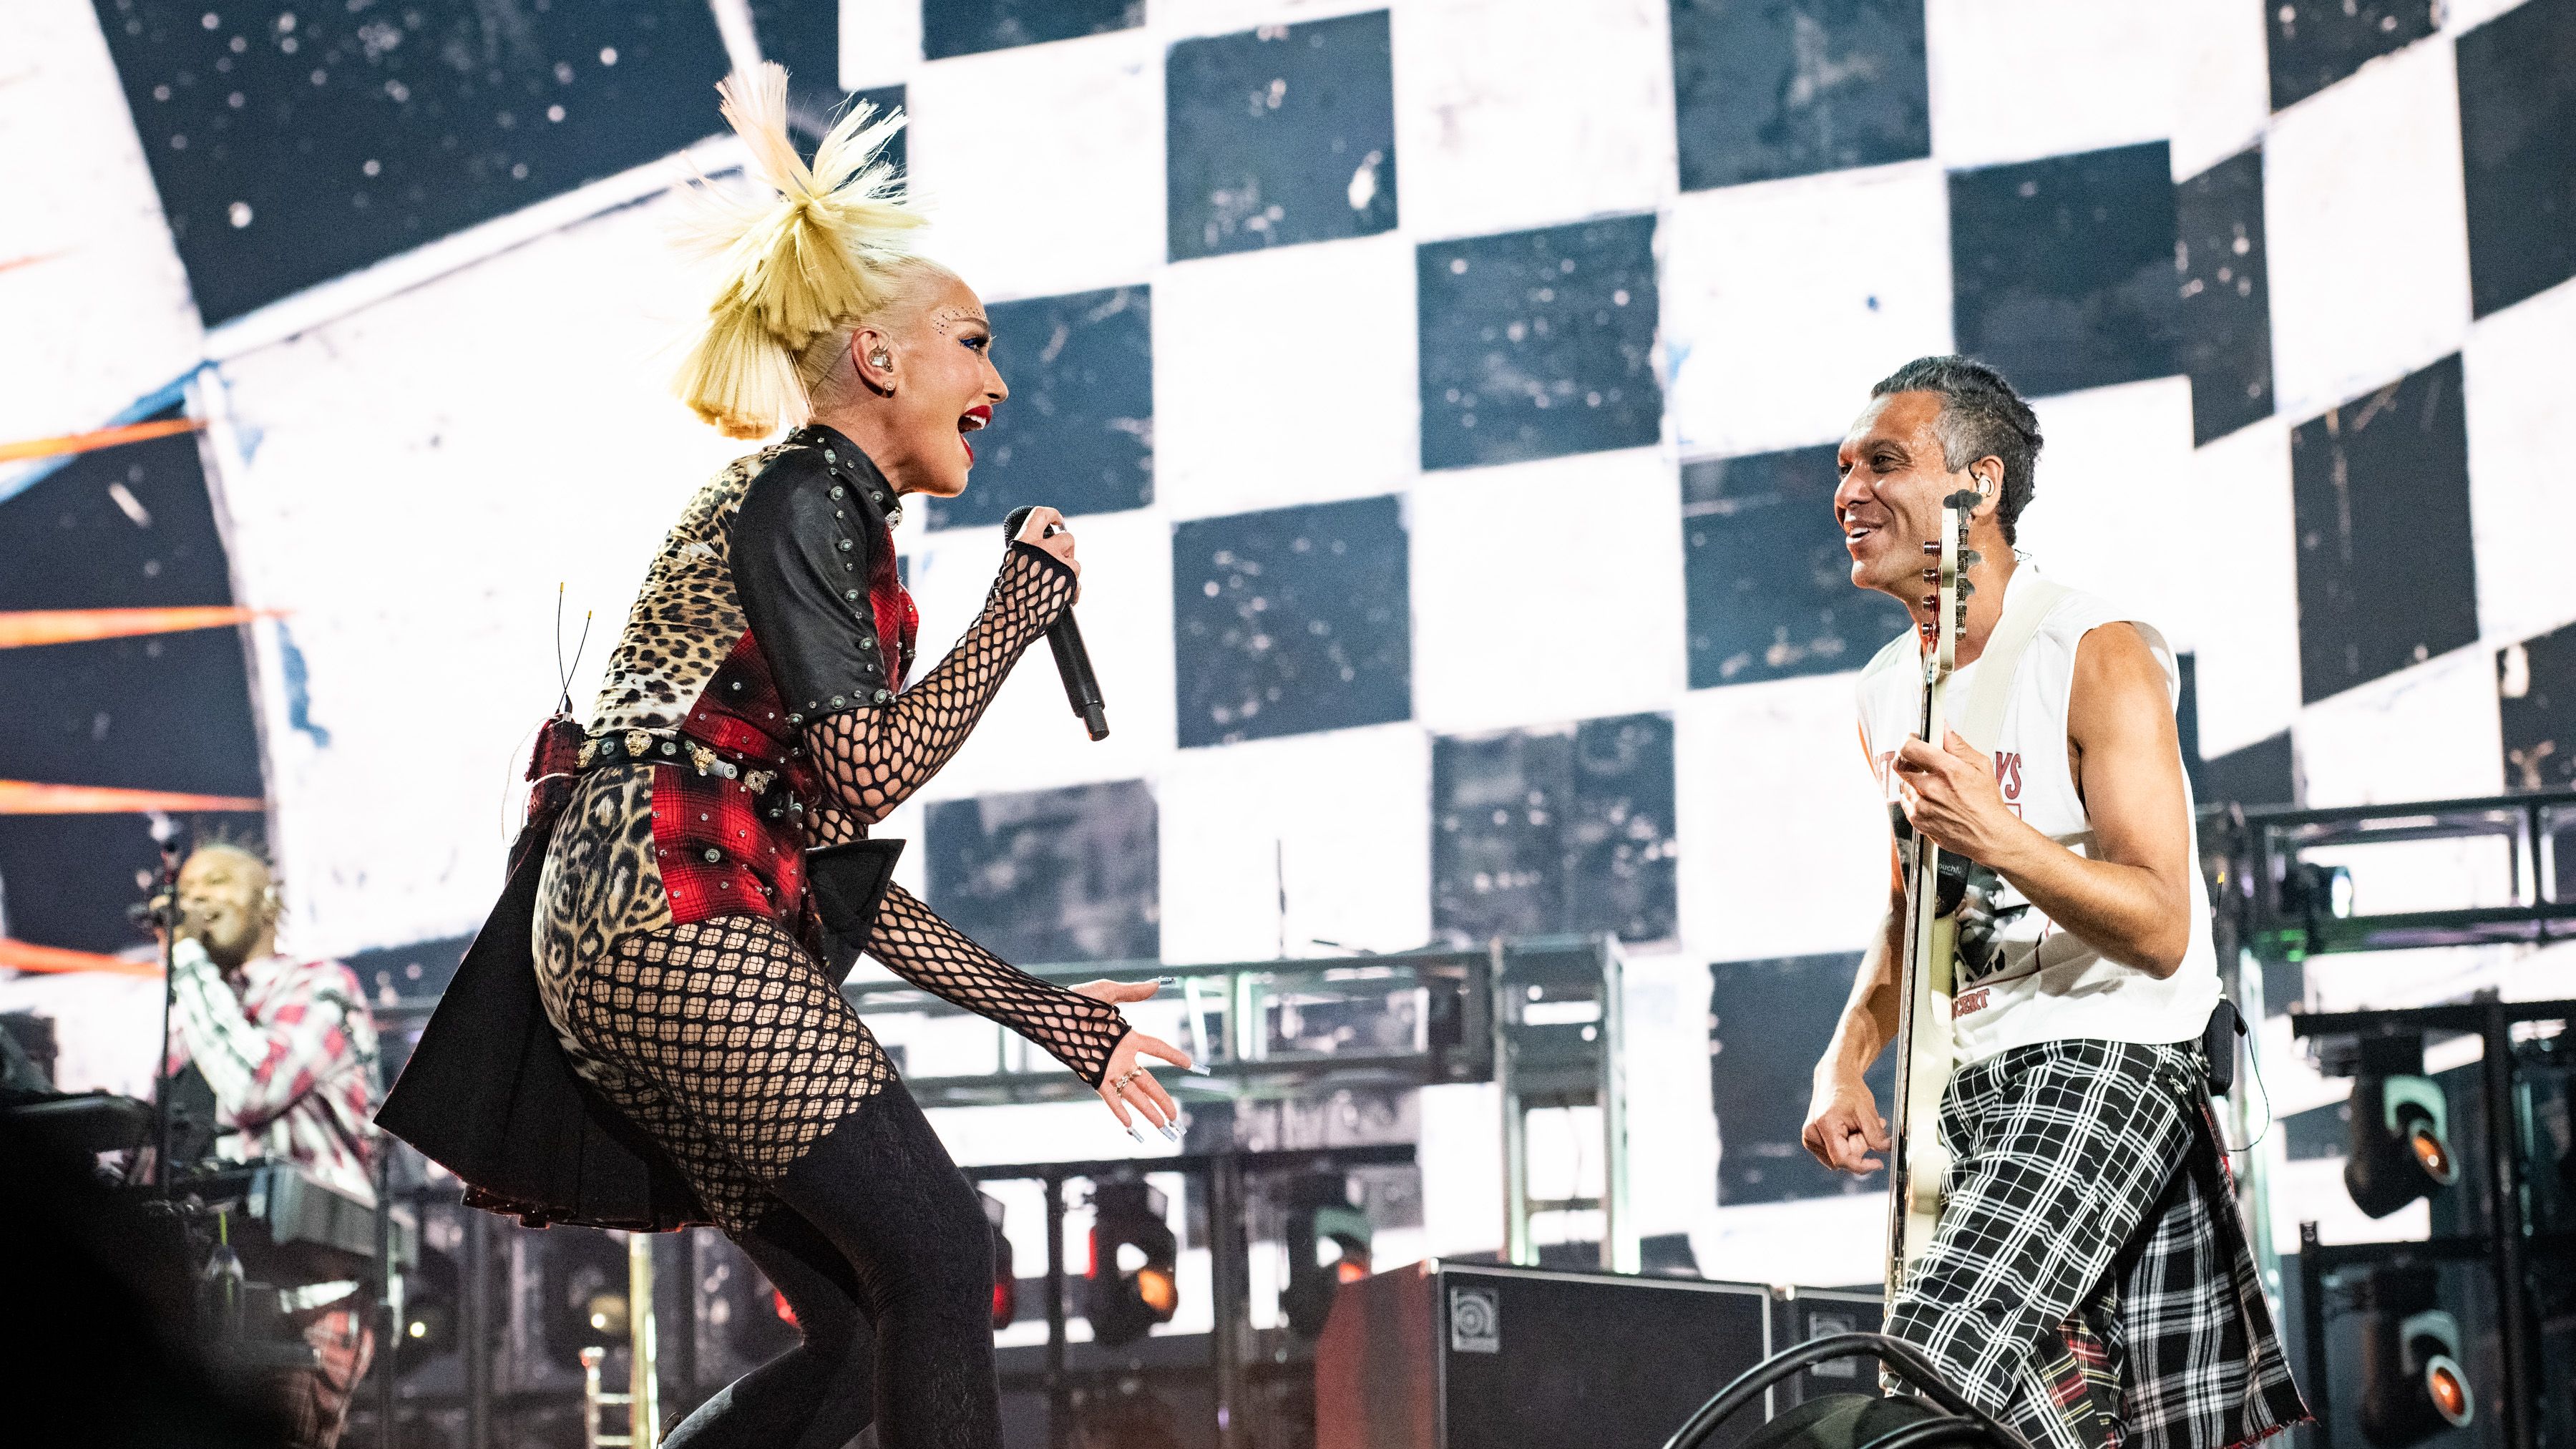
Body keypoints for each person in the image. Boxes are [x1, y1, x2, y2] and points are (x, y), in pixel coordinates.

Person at [382, 64, 1191, 1449]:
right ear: (878, 359)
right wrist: (1018, 613)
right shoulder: (806, 490)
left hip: (646, 920)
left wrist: (1057, 1017)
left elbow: (821, 858)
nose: (995, 382)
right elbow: (873, 772)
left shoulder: (821, 520)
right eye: (972, 343)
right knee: (937, 1254)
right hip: (667, 912)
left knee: (879, 1309)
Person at [1800, 357, 2307, 1449]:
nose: (1847, 492)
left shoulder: (2093, 647)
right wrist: (1847, 1053)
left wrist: (2004, 836)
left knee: (1930, 1365)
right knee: (2031, 1425)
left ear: (1977, 488)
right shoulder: (1887, 688)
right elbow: (1913, 909)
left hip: (2107, 1060)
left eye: (1883, 462)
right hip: (1969, 1096)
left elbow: (2164, 923)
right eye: (1842, 468)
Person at [165, 841, 380, 1449]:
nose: (196, 899)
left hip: (306, 1294)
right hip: (206, 1302)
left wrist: (186, 960)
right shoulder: (194, 1012)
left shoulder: (320, 986)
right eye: (186, 892)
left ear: (267, 900)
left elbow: (256, 1086)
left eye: (217, 882)